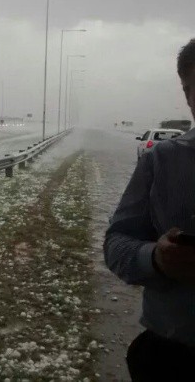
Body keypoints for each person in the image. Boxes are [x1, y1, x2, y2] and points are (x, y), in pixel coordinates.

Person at [104, 38, 195, 381]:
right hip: (175, 355)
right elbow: (116, 243)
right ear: (188, 94)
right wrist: (156, 258)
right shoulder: (163, 160)